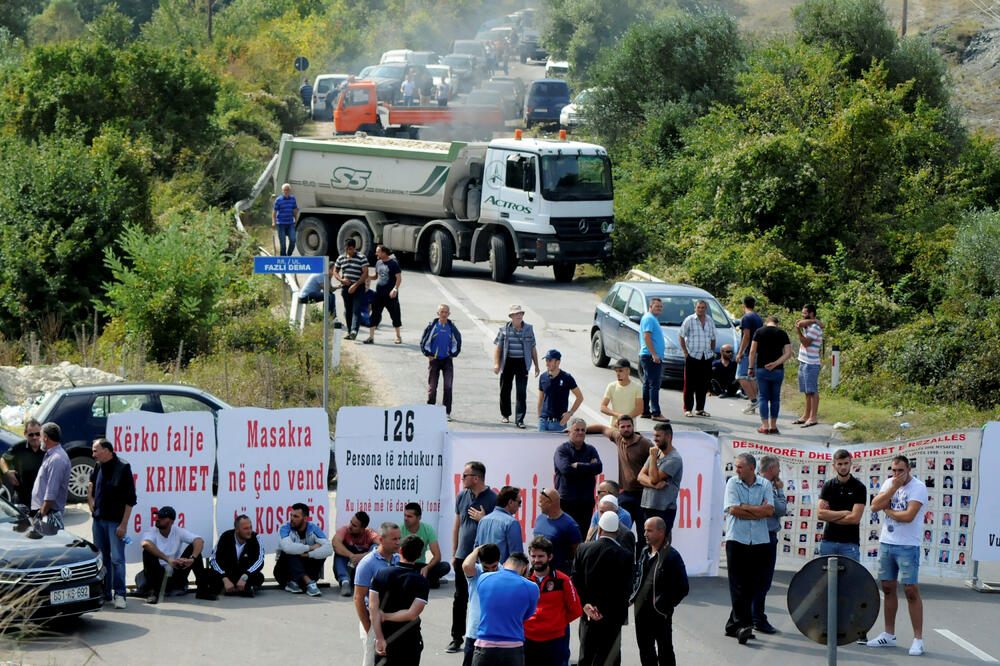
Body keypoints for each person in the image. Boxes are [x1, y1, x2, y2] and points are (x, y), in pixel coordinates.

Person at [867, 455, 929, 656]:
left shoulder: (918, 487)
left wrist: (890, 510)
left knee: (911, 590)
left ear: (908, 469)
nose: (896, 474)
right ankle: (889, 634)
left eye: (900, 470)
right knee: (887, 587)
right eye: (893, 470)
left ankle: (918, 639)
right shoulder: (889, 483)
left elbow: (909, 516)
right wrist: (892, 488)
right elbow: (875, 506)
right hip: (887, 543)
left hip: (908, 546)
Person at [723, 453, 774, 644]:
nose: (736, 470)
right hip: (737, 539)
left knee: (753, 585)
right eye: (736, 466)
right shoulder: (732, 484)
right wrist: (757, 510)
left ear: (752, 468)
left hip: (759, 541)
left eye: (740, 467)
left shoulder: (765, 485)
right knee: (738, 584)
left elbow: (769, 511)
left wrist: (747, 508)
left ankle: (732, 625)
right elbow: (733, 509)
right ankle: (744, 625)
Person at [448, 461, 499, 654]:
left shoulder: (493, 498)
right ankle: (456, 638)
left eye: (465, 476)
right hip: (464, 556)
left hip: (484, 557)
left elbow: (497, 526)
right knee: (460, 597)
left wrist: (483, 519)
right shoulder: (462, 496)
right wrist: (454, 553)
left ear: (476, 478)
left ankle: (485, 635)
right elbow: (457, 525)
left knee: (486, 597)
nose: (462, 479)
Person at [571, 512, 634, 666]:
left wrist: (586, 606)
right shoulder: (625, 556)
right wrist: (605, 612)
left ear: (599, 530)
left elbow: (574, 581)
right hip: (612, 619)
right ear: (617, 533)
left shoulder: (583, 549)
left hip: (588, 616)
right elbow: (626, 590)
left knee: (586, 655)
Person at [631, 517, 689, 666]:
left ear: (661, 532)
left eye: (649, 530)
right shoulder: (644, 552)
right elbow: (638, 576)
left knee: (665, 651)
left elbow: (683, 587)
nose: (645, 533)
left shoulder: (672, 556)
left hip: (660, 613)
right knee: (645, 649)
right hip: (641, 610)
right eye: (644, 530)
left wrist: (665, 604)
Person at [586, 416, 649, 551]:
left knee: (643, 535)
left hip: (643, 495)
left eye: (629, 426)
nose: (626, 429)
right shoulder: (618, 438)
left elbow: (658, 461)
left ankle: (640, 567)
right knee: (617, 532)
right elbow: (602, 428)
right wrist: (581, 430)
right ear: (618, 428)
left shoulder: (645, 444)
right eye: (623, 427)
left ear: (633, 427)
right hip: (625, 494)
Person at [87, 438, 136, 609]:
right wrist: (90, 501)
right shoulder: (98, 465)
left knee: (117, 559)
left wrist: (123, 525)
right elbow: (91, 482)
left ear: (107, 450)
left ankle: (120, 594)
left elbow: (131, 500)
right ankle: (105, 593)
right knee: (102, 559)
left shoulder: (123, 467)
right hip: (98, 521)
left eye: (96, 450)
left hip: (115, 523)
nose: (93, 454)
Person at [370, 534, 430, 665]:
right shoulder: (421, 581)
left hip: (386, 639)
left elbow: (373, 609)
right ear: (419, 555)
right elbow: (412, 614)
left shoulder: (382, 574)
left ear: (400, 550)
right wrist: (387, 616)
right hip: (410, 641)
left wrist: (379, 638)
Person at [524, 535, 582, 666]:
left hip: (555, 640)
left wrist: (556, 622)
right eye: (533, 556)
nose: (536, 560)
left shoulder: (563, 580)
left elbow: (576, 610)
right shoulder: (523, 581)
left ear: (550, 557)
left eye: (540, 556)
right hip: (528, 639)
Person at [471, 552, 538, 666]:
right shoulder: (532, 587)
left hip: (485, 646)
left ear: (504, 564)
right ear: (525, 568)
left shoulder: (483, 578)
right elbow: (527, 615)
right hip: (513, 648)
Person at [139, 505, 209, 603]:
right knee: (147, 552)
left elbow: (199, 540)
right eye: (158, 516)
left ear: (171, 522)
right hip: (157, 575)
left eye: (162, 518)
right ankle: (154, 592)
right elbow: (145, 544)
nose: (158, 519)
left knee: (195, 550)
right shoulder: (152, 531)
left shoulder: (177, 531)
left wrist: (192, 559)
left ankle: (202, 590)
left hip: (175, 573)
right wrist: (168, 560)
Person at [356, 522, 403, 666]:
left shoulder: (398, 559)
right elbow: (358, 598)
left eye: (399, 538)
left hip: (394, 622)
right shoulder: (367, 563)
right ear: (381, 540)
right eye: (394, 539)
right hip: (373, 623)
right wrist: (369, 628)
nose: (398, 543)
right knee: (372, 662)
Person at [751, 455, 786, 635]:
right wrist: (780, 491)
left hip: (761, 536)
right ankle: (757, 618)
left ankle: (752, 617)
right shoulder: (766, 487)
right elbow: (780, 509)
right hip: (765, 537)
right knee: (762, 581)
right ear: (772, 468)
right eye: (778, 467)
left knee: (756, 581)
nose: (779, 471)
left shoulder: (759, 484)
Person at [554, 418, 603, 540]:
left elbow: (598, 468)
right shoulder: (562, 450)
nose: (580, 432)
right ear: (569, 431)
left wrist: (579, 465)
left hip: (585, 502)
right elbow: (566, 469)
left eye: (583, 430)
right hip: (566, 501)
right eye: (577, 430)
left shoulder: (591, 449)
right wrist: (589, 467)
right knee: (565, 536)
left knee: (582, 537)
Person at [494, 304, 539, 428]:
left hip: (522, 363)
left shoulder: (529, 329)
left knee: (521, 392)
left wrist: (536, 365)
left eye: (521, 314)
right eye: (516, 314)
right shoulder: (503, 329)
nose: (519, 316)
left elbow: (533, 347)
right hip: (507, 362)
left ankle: (520, 420)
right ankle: (505, 414)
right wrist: (497, 364)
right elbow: (498, 347)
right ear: (511, 316)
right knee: (505, 389)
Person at [273, 502, 333, 597]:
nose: (292, 519)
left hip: (307, 569)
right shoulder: (284, 528)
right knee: (290, 552)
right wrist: (310, 548)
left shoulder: (313, 528)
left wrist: (308, 554)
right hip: (284, 574)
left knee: (321, 553)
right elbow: (288, 547)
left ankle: (297, 582)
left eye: (296, 516)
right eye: (291, 515)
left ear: (305, 518)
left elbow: (329, 549)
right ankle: (308, 582)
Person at [818, 449, 867, 561]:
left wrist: (830, 516)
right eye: (840, 464)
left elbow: (854, 519)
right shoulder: (828, 485)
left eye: (846, 463)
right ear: (834, 465)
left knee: (849, 578)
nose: (843, 467)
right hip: (828, 542)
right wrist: (844, 513)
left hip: (849, 544)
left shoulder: (859, 487)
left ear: (851, 463)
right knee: (825, 578)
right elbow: (820, 514)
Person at [748, 316, 792, 435]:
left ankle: (765, 426)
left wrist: (750, 367)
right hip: (777, 370)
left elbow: (752, 351)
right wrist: (776, 363)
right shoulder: (782, 333)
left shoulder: (759, 331)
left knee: (763, 397)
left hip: (762, 368)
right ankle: (773, 426)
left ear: (766, 323)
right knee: (775, 398)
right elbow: (788, 353)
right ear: (777, 324)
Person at [204, 514, 265, 599]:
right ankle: (242, 590)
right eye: (246, 528)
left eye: (250, 527)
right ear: (237, 529)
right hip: (226, 574)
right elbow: (214, 560)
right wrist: (225, 578)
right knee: (207, 574)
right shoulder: (225, 536)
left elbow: (260, 560)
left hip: (244, 575)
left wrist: (245, 576)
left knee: (259, 577)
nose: (249, 531)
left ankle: (229, 590)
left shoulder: (255, 537)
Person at [638, 422, 683, 537]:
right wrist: (654, 485)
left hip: (664, 510)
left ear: (668, 437)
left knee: (661, 544)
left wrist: (653, 457)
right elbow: (640, 476)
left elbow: (654, 478)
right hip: (647, 506)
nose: (655, 439)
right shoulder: (655, 453)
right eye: (654, 436)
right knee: (646, 542)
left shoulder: (674, 459)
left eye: (658, 436)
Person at [461, 543, 502, 666]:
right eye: (486, 567)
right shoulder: (476, 572)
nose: (490, 571)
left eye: (494, 567)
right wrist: (478, 549)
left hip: (496, 633)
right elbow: (467, 565)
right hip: (475, 632)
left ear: (499, 559)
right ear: (479, 562)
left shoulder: (505, 572)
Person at [421, 303, 462, 419]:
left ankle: (446, 412)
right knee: (432, 387)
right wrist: (428, 354)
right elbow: (425, 342)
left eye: (446, 312)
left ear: (449, 314)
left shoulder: (451, 327)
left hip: (447, 361)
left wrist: (452, 354)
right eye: (442, 312)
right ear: (438, 313)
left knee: (448, 387)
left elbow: (457, 342)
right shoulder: (432, 327)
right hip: (434, 361)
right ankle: (430, 410)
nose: (444, 314)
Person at [678, 299, 716, 418]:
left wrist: (712, 352)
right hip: (692, 355)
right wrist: (685, 352)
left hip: (706, 356)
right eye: (698, 307)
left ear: (706, 309)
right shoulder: (689, 320)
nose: (700, 309)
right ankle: (688, 409)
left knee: (703, 384)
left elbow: (713, 338)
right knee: (689, 384)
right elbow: (681, 335)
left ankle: (700, 409)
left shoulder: (710, 320)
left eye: (703, 307)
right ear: (695, 308)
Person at [30, 422, 70, 529]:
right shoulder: (51, 455)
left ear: (46, 438)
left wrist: (41, 514)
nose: (38, 439)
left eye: (40, 436)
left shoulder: (57, 459)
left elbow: (51, 492)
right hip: (44, 512)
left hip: (48, 514)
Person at [532, 488, 580, 574]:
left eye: (541, 502)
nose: (539, 505)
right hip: (537, 573)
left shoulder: (570, 525)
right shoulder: (539, 519)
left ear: (550, 503)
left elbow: (577, 553)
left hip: (558, 575)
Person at [402, 502, 451, 587]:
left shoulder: (428, 529)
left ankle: (416, 580)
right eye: (405, 515)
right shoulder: (399, 530)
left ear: (419, 518)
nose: (406, 518)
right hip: (405, 566)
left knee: (445, 566)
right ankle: (425, 581)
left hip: (420, 566)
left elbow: (437, 556)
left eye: (409, 516)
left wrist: (427, 568)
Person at [333, 510, 380, 597]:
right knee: (339, 548)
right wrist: (352, 556)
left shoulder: (370, 533)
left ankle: (370, 582)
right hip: (347, 568)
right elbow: (335, 543)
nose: (350, 526)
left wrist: (362, 556)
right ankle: (345, 582)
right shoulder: (345, 530)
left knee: (375, 548)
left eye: (354, 526)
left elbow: (383, 546)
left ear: (363, 529)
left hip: (361, 570)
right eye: (351, 522)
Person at [1, 417, 45, 507]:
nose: (35, 437)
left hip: (43, 498)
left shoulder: (48, 448)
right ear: (25, 434)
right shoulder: (19, 448)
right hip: (23, 499)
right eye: (31, 435)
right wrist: (7, 472)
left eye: (37, 434)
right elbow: (2, 460)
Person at [473, 485, 523, 563]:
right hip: (502, 573)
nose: (520, 506)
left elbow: (476, 549)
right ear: (510, 502)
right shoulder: (512, 523)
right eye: (519, 502)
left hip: (483, 572)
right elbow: (517, 558)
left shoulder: (483, 520)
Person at [537, 349, 583, 432]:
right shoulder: (543, 377)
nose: (547, 363)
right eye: (546, 360)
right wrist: (539, 417)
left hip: (559, 423)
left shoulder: (567, 378)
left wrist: (570, 414)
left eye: (550, 360)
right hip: (543, 422)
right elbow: (540, 399)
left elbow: (579, 397)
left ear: (558, 362)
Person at [639, 297, 669, 422]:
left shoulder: (652, 319)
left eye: (661, 306)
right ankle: (656, 413)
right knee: (654, 385)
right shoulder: (649, 318)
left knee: (647, 384)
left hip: (650, 355)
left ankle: (645, 411)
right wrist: (654, 354)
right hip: (650, 356)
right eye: (657, 306)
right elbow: (647, 337)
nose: (659, 308)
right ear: (651, 307)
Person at [793, 304, 823, 427]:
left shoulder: (815, 327)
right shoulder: (810, 324)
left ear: (811, 314)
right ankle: (806, 415)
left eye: (804, 313)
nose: (802, 316)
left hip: (811, 363)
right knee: (806, 391)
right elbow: (800, 322)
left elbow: (805, 343)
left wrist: (798, 331)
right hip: (804, 362)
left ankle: (813, 417)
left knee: (812, 391)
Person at [365, 245, 402, 345]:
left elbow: (399, 278)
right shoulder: (378, 263)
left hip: (390, 295)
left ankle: (398, 336)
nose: (376, 253)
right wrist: (367, 276)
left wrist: (395, 289)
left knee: (395, 315)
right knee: (374, 315)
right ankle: (371, 337)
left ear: (384, 253)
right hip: (379, 294)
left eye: (378, 252)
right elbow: (376, 276)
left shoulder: (393, 263)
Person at [334, 238, 369, 339]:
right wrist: (341, 280)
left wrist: (356, 285)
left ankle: (354, 330)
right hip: (346, 287)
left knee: (356, 309)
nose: (349, 251)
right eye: (348, 249)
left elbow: (365, 273)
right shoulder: (341, 258)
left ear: (355, 248)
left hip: (358, 287)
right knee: (348, 310)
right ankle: (350, 332)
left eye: (351, 249)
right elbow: (336, 271)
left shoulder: (362, 258)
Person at [735, 296, 763, 414]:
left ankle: (753, 400)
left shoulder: (746, 318)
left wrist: (740, 353)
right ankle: (754, 402)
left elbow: (746, 336)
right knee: (752, 377)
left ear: (743, 305)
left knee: (740, 376)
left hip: (748, 351)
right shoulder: (758, 317)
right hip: (758, 350)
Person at [600, 359, 642, 427]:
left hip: (630, 430)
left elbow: (639, 408)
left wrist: (623, 420)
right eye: (616, 371)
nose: (618, 374)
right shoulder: (611, 386)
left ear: (628, 371)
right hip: (614, 428)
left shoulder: (637, 387)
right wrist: (617, 415)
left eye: (620, 371)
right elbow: (603, 407)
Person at [272, 183, 298, 256]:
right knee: (283, 244)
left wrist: (296, 219)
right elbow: (274, 212)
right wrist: (274, 222)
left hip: (290, 223)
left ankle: (289, 255)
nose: (286, 192)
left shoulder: (292, 199)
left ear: (290, 191)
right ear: (282, 191)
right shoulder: (278, 200)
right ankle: (283, 258)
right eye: (284, 190)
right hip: (281, 224)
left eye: (287, 190)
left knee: (293, 240)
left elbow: (294, 210)